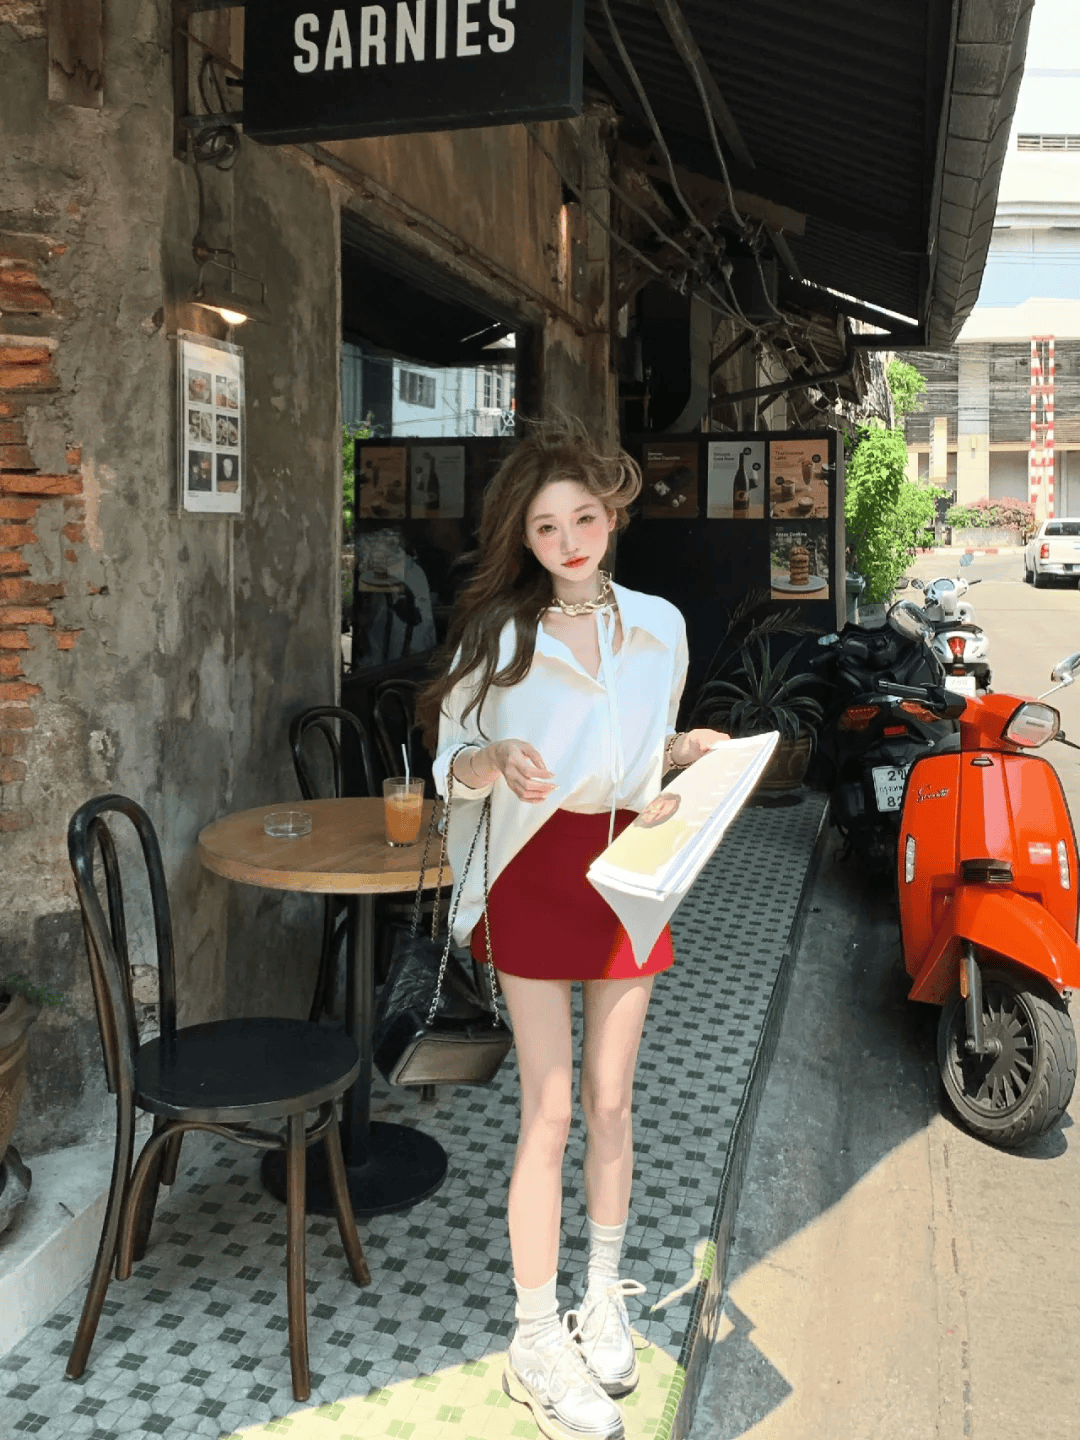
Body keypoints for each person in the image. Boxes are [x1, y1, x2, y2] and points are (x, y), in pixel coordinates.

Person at [417, 419, 727, 1440]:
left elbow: (638, 749)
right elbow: (450, 764)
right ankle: (533, 1335)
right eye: (546, 527)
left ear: (612, 514)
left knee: (611, 1100)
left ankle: (600, 1296)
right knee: (548, 1108)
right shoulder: (499, 637)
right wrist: (492, 758)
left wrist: (684, 754)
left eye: (583, 519)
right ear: (525, 536)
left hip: (628, 872)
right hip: (534, 873)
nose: (568, 542)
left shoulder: (661, 627)